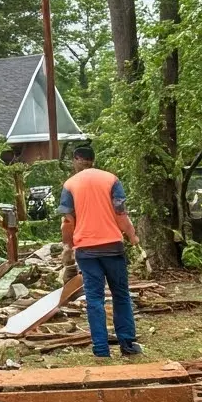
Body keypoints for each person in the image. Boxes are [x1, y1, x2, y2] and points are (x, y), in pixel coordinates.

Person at [58, 147, 143, 358]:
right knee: (121, 295)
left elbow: (68, 221)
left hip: (86, 250)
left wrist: (68, 244)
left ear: (76, 161)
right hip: (112, 247)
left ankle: (101, 349)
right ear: (94, 160)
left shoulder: (70, 185)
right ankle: (128, 345)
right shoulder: (111, 180)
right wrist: (132, 236)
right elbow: (120, 213)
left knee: (94, 299)